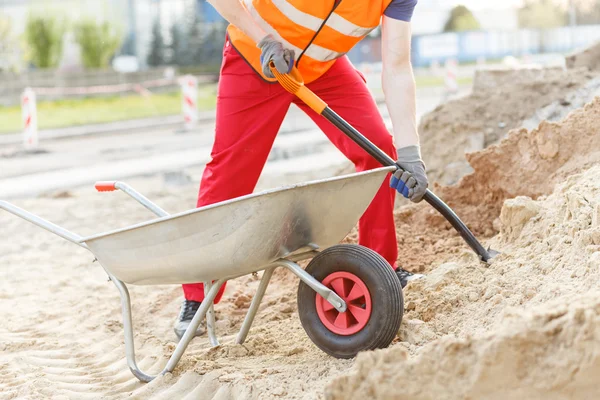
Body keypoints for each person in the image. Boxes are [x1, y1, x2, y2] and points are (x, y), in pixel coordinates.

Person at [174, 0, 429, 339]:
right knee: (229, 176)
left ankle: (380, 266)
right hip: (255, 60)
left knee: (380, 153)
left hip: (322, 71)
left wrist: (410, 152)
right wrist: (264, 38)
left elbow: (397, 66)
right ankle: (197, 296)